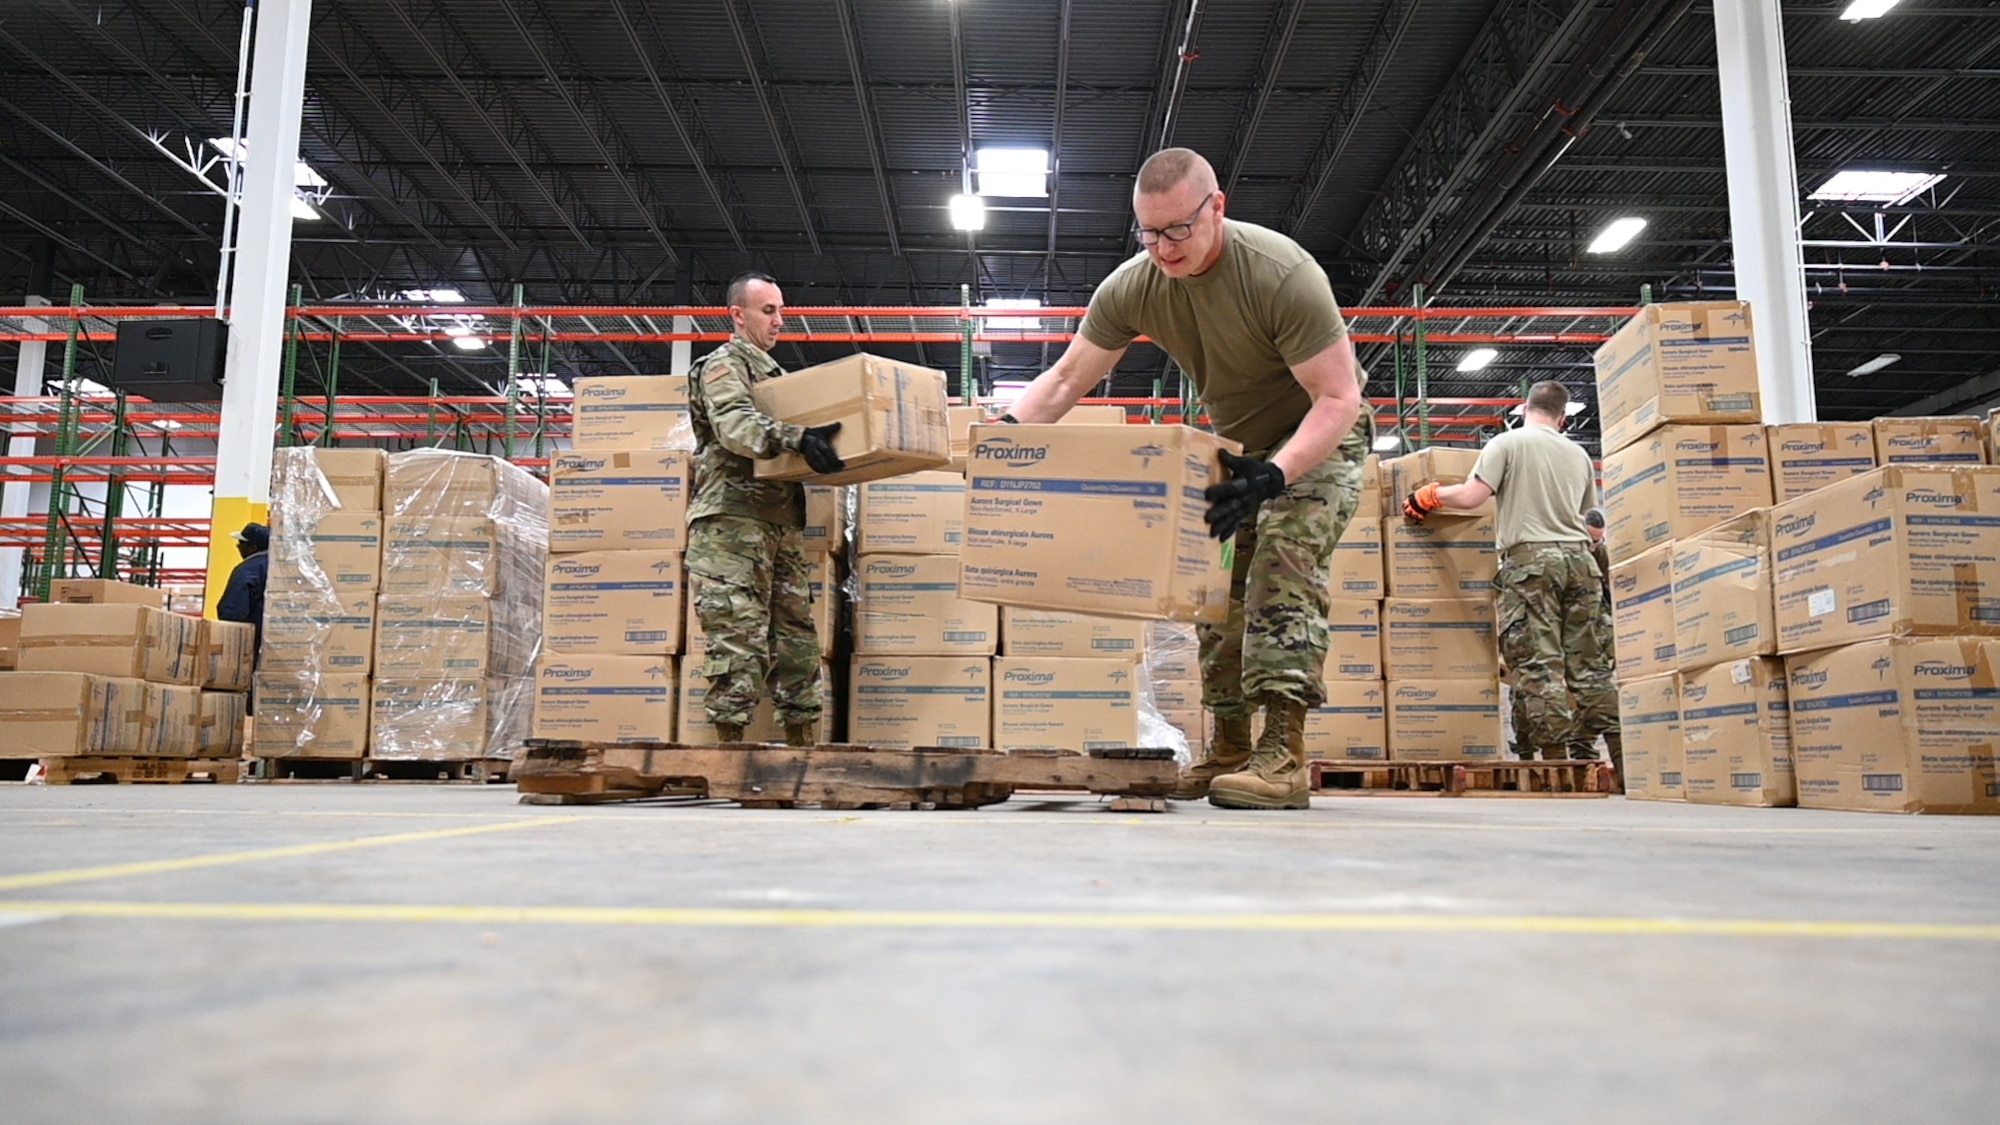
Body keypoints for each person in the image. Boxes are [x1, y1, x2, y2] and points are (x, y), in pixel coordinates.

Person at [1001, 147, 1370, 810]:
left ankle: (1282, 757)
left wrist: (1276, 475)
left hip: (1315, 443)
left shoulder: (1280, 273)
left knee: (1281, 567)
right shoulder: (1135, 285)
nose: (1163, 248)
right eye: (1148, 232)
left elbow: (1339, 399)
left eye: (1178, 229)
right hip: (1234, 453)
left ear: (1216, 208)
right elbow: (1063, 380)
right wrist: (1001, 440)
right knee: (1212, 593)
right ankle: (1229, 747)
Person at [1403, 381, 1618, 764]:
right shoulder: (1579, 454)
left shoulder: (1506, 444)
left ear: (1524, 408)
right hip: (1581, 563)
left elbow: (1471, 497)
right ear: (1563, 418)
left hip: (1532, 564)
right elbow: (1585, 517)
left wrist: (1430, 495)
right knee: (1591, 666)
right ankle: (1624, 764)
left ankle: (1556, 766)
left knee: (1541, 665)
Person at [683, 272, 845, 745]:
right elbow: (736, 427)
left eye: (781, 311)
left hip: (780, 523)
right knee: (738, 636)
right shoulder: (723, 364)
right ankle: (729, 750)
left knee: (796, 638)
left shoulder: (777, 378)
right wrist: (797, 438)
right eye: (767, 311)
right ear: (738, 314)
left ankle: (801, 744)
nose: (779, 321)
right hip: (731, 522)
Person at [216, 521, 269, 649]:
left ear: (253, 548)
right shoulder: (279, 568)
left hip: (252, 645)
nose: (238, 547)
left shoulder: (247, 569)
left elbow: (232, 610)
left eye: (241, 543)